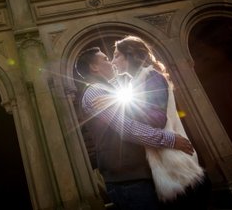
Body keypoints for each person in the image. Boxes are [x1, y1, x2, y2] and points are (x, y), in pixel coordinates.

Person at [75, 46, 195, 210]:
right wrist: (170, 139)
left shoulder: (111, 90)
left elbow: (135, 103)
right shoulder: (94, 92)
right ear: (94, 67)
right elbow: (127, 127)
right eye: (105, 59)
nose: (111, 62)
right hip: (128, 180)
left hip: (138, 175)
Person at [111, 35, 210, 210]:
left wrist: (120, 111)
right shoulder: (137, 82)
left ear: (130, 55)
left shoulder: (151, 76)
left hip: (175, 164)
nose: (113, 61)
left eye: (117, 55)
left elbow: (157, 119)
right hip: (164, 162)